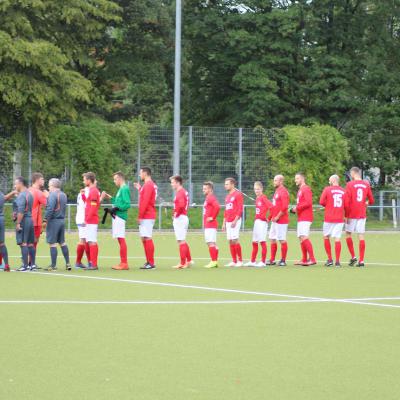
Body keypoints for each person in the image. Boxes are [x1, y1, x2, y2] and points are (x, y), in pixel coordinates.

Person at [344, 167, 375, 267]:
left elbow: (347, 201)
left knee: (348, 234)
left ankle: (353, 257)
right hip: (362, 214)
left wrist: (346, 215)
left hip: (352, 214)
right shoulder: (366, 184)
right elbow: (372, 200)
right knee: (361, 236)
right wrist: (366, 203)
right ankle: (361, 261)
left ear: (353, 173)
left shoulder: (349, 184)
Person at [101, 172, 131, 270]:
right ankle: (122, 262)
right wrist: (110, 198)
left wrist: (117, 208)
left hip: (120, 217)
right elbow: (118, 202)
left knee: (121, 239)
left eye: (115, 179)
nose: (114, 181)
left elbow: (127, 204)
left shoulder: (124, 188)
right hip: (117, 216)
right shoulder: (121, 189)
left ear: (119, 179)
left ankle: (124, 263)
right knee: (119, 239)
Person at [42, 178, 71, 271]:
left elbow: (50, 208)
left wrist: (45, 219)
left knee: (52, 243)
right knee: (62, 242)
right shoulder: (64, 195)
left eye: (49, 186)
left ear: (53, 186)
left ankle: (53, 265)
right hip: (61, 220)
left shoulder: (52, 195)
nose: (48, 187)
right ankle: (68, 263)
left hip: (53, 221)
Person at [319, 175, 346, 267]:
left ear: (333, 180)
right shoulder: (343, 191)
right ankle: (337, 262)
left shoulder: (327, 189)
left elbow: (321, 202)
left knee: (326, 237)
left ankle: (330, 259)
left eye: (329, 180)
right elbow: (346, 205)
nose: (329, 181)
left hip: (329, 218)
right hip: (339, 218)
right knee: (337, 239)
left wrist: (328, 204)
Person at [134, 167, 157, 270]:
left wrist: (140, 216)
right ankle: (149, 261)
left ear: (145, 173)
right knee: (144, 237)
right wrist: (140, 189)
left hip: (147, 215)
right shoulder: (147, 185)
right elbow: (145, 197)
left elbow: (145, 201)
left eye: (140, 173)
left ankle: (151, 263)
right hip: (147, 214)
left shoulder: (148, 185)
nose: (140, 175)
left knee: (147, 237)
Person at [244, 181, 272, 267]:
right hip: (257, 222)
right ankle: (252, 261)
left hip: (262, 223)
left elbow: (271, 207)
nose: (256, 191)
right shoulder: (257, 198)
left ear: (262, 189)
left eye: (258, 189)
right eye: (255, 189)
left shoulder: (263, 197)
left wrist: (268, 218)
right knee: (254, 242)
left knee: (262, 241)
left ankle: (263, 262)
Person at [291, 173, 316, 266]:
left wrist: (297, 208)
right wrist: (296, 208)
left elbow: (308, 202)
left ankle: (312, 259)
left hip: (306, 216)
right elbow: (302, 203)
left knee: (304, 236)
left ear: (302, 179)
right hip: (301, 217)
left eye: (297, 178)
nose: (295, 180)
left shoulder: (306, 188)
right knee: (301, 238)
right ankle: (304, 259)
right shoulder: (300, 190)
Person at [170, 175, 192, 269]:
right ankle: (189, 260)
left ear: (178, 183)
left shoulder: (180, 192)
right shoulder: (182, 192)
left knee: (181, 240)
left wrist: (176, 214)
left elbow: (181, 205)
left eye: (172, 182)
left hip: (181, 218)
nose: (171, 184)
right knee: (182, 240)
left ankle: (183, 262)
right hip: (182, 217)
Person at [14, 177, 36, 271]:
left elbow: (21, 211)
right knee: (30, 243)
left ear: (20, 184)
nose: (15, 186)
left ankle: (25, 266)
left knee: (23, 243)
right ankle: (33, 265)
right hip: (30, 219)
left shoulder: (22, 195)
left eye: (16, 184)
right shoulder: (30, 194)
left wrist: (18, 223)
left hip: (24, 220)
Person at [268, 175, 289, 267]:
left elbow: (285, 207)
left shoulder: (283, 191)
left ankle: (283, 260)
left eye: (275, 180)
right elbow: (274, 206)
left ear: (281, 181)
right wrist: (271, 217)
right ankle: (272, 259)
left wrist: (277, 216)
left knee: (282, 239)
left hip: (281, 220)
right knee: (272, 239)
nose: (274, 182)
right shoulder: (277, 191)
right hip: (275, 220)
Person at [222, 177, 244, 267]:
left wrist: (235, 220)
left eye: (227, 184)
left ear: (232, 184)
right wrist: (224, 223)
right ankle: (234, 261)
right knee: (230, 241)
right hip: (228, 221)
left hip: (236, 220)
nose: (225, 186)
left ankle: (240, 260)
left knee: (235, 239)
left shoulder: (238, 195)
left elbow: (240, 208)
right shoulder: (227, 197)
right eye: (225, 184)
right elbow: (226, 211)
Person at [81, 172, 101, 270]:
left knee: (92, 241)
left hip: (91, 220)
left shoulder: (93, 191)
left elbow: (93, 207)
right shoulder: (93, 190)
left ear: (89, 180)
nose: (83, 181)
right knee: (90, 241)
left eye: (84, 179)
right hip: (91, 219)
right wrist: (84, 196)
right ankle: (93, 263)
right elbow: (91, 204)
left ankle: (94, 264)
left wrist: (87, 219)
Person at [29, 172, 48, 267]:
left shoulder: (28, 190)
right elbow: (49, 204)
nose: (43, 181)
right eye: (42, 179)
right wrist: (48, 195)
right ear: (37, 180)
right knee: (34, 242)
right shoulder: (38, 192)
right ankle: (31, 263)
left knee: (29, 242)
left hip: (26, 220)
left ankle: (29, 262)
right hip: (35, 222)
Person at [202, 181, 220, 269]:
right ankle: (215, 261)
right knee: (212, 243)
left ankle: (213, 261)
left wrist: (212, 217)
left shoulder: (210, 198)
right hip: (209, 224)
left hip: (210, 224)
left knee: (210, 242)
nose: (203, 190)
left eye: (205, 189)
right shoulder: (208, 198)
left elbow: (217, 207)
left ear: (210, 189)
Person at [0, 189, 18, 272]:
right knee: (2, 244)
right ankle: (6, 265)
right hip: (1, 219)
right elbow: (5, 198)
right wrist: (13, 192)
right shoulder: (1, 194)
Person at [75, 185, 90, 268]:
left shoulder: (82, 192)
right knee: (84, 240)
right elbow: (88, 205)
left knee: (84, 239)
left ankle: (81, 262)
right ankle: (81, 262)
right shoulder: (86, 192)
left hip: (80, 218)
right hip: (83, 219)